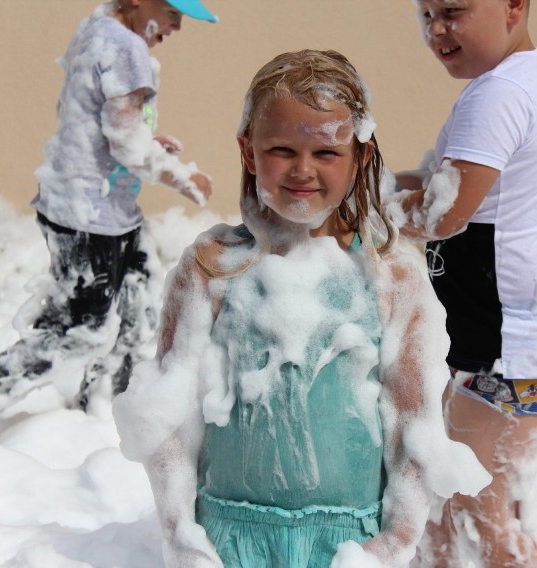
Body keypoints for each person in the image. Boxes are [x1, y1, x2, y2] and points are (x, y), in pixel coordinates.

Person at [111, 49, 490, 568]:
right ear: (248, 152)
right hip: (226, 537)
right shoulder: (211, 267)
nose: (303, 170)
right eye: (282, 149)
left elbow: (411, 427)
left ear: (359, 154)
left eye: (327, 153)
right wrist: (181, 533)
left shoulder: (392, 277)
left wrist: (393, 544)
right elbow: (168, 423)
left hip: (349, 544)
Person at [0, 0, 217, 437]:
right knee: (78, 332)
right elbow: (126, 141)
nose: (176, 24)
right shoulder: (126, 48)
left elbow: (91, 118)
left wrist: (148, 139)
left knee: (138, 304)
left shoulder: (98, 29)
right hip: (89, 216)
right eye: (173, 10)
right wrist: (180, 174)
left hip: (99, 209)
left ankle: (106, 409)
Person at [385, 1, 537, 567]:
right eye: (426, 14)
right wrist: (370, 179)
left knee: (470, 494)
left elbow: (442, 212)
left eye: (453, 10)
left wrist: (359, 211)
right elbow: (442, 182)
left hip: (507, 340)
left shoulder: (496, 95)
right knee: (494, 486)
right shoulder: (521, 76)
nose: (436, 29)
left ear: (514, 5)